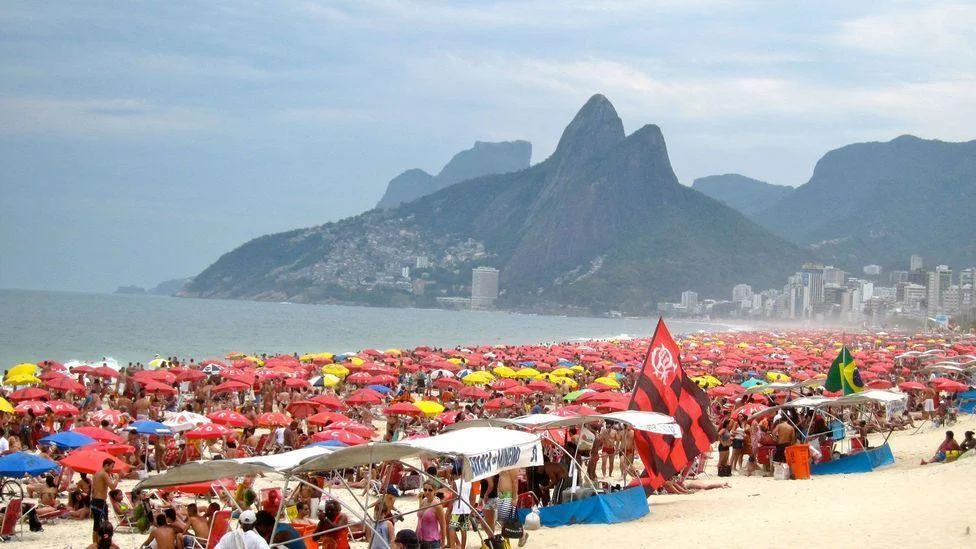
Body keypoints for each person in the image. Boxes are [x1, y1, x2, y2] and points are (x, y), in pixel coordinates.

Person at [92, 458, 119, 544]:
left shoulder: (96, 473)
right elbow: (113, 487)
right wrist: (117, 478)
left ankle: (95, 543)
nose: (112, 469)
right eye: (112, 467)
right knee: (105, 525)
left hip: (94, 501)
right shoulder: (104, 474)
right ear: (106, 465)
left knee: (96, 524)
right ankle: (104, 542)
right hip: (100, 501)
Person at [416, 482, 446, 549]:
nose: (427, 492)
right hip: (420, 538)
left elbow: (443, 524)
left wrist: (443, 542)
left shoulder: (437, 505)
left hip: (432, 541)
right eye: (425, 489)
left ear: (435, 491)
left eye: (430, 490)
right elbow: (419, 519)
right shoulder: (424, 500)